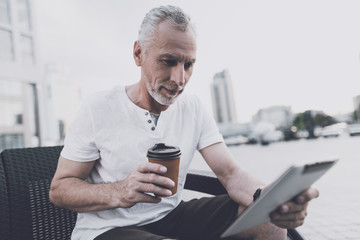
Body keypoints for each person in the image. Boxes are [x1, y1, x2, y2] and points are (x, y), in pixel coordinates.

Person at [50, 5, 319, 240]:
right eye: (168, 61)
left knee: (267, 219)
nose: (179, 79)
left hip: (172, 217)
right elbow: (60, 189)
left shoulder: (193, 107)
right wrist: (121, 192)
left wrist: (268, 199)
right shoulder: (98, 107)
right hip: (110, 230)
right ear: (138, 54)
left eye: (188, 64)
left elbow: (229, 173)